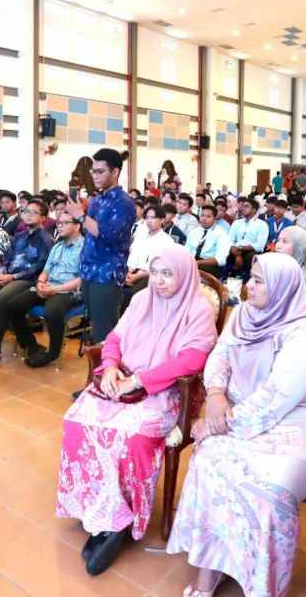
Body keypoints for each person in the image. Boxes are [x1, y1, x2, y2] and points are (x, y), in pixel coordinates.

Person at [167, 253, 306, 596]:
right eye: (251, 277)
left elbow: (277, 397)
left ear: (281, 289)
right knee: (208, 464)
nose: (248, 286)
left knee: (265, 491)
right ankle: (210, 571)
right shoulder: (246, 314)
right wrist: (215, 392)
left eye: (259, 281)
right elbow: (220, 353)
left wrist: (216, 425)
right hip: (238, 413)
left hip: (299, 426)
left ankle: (261, 584)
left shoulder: (304, 333)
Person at [58, 245, 216, 575]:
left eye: (167, 273)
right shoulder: (141, 299)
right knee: (77, 420)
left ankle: (122, 519)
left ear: (185, 275)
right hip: (123, 379)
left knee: (130, 435)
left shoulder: (197, 310)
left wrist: (141, 381)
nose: (158, 281)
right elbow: (115, 337)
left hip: (166, 391)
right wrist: (112, 367)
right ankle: (101, 513)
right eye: (154, 272)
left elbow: (192, 360)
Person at [0, 212, 85, 368]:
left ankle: (52, 352)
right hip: (48, 285)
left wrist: (54, 289)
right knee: (13, 306)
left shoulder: (86, 248)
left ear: (77, 226)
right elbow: (46, 270)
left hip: (68, 291)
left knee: (52, 311)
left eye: (65, 223)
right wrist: (41, 282)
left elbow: (81, 280)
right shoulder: (58, 246)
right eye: (59, 223)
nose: (59, 226)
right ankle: (30, 344)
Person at [65, 148, 135, 346]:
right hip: (89, 271)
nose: (94, 176)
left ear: (115, 172)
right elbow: (89, 233)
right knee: (96, 330)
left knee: (106, 332)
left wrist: (80, 215)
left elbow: (108, 235)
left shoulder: (124, 203)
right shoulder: (96, 200)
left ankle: (108, 374)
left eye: (100, 171)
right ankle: (98, 373)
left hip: (107, 273)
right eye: (93, 171)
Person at [0, 199, 55, 363]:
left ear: (43, 218)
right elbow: (7, 257)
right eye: (26, 211)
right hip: (8, 275)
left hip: (28, 279)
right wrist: (1, 270)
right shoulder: (20, 236)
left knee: (1, 298)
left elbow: (40, 267)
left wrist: (13, 277)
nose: (28, 215)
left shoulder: (46, 239)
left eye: (34, 212)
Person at [123, 204, 174, 306]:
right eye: (147, 218)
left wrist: (137, 276)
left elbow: (162, 267)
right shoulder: (140, 235)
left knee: (131, 294)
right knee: (111, 288)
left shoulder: (167, 241)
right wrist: (128, 272)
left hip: (151, 275)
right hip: (132, 271)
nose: (149, 221)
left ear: (162, 220)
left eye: (153, 217)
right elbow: (132, 257)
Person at [224, 197, 268, 283]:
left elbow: (260, 246)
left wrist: (240, 249)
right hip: (235, 250)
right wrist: (237, 254)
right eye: (243, 206)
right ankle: (227, 282)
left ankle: (245, 284)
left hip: (250, 251)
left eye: (246, 206)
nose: (243, 208)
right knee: (225, 252)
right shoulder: (237, 223)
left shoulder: (262, 224)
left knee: (251, 257)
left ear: (254, 210)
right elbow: (229, 240)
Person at [185, 204, 230, 278]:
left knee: (194, 270)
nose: (204, 218)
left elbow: (221, 259)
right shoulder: (194, 231)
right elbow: (186, 250)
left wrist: (198, 262)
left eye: (208, 216)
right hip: (193, 261)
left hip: (209, 265)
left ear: (215, 219)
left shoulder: (221, 234)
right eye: (202, 216)